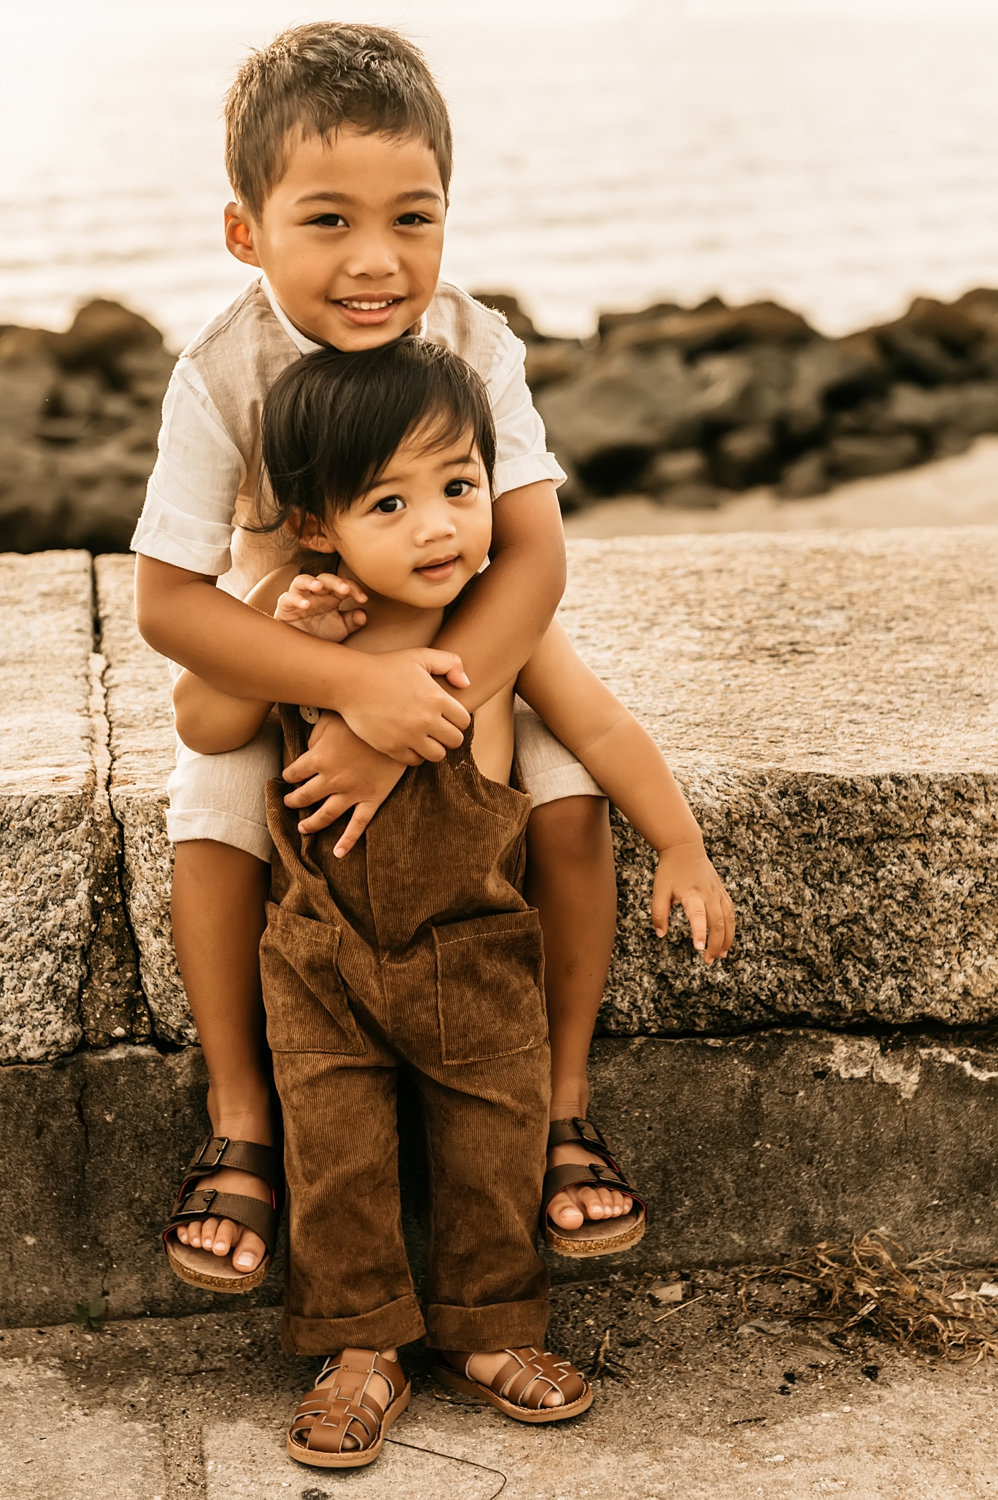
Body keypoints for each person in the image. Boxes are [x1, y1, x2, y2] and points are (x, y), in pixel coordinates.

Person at [136, 20, 703, 1292]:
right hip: (299, 645)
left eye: (413, 218)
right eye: (326, 221)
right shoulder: (223, 372)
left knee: (563, 799)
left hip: (478, 640)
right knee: (214, 807)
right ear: (248, 231)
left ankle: (558, 1107)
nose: (374, 262)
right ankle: (242, 1122)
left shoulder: (475, 342)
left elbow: (534, 562)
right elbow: (172, 607)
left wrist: (416, 719)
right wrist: (349, 695)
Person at [170, 337, 735, 1467]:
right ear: (317, 523)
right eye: (391, 501)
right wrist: (281, 637)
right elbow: (204, 727)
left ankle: (488, 1330)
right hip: (319, 962)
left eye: (460, 488)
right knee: (337, 1162)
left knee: (490, 1154)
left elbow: (603, 729)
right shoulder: (305, 618)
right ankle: (360, 1347)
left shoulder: (499, 628)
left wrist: (679, 845)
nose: (439, 527)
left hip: (472, 960)